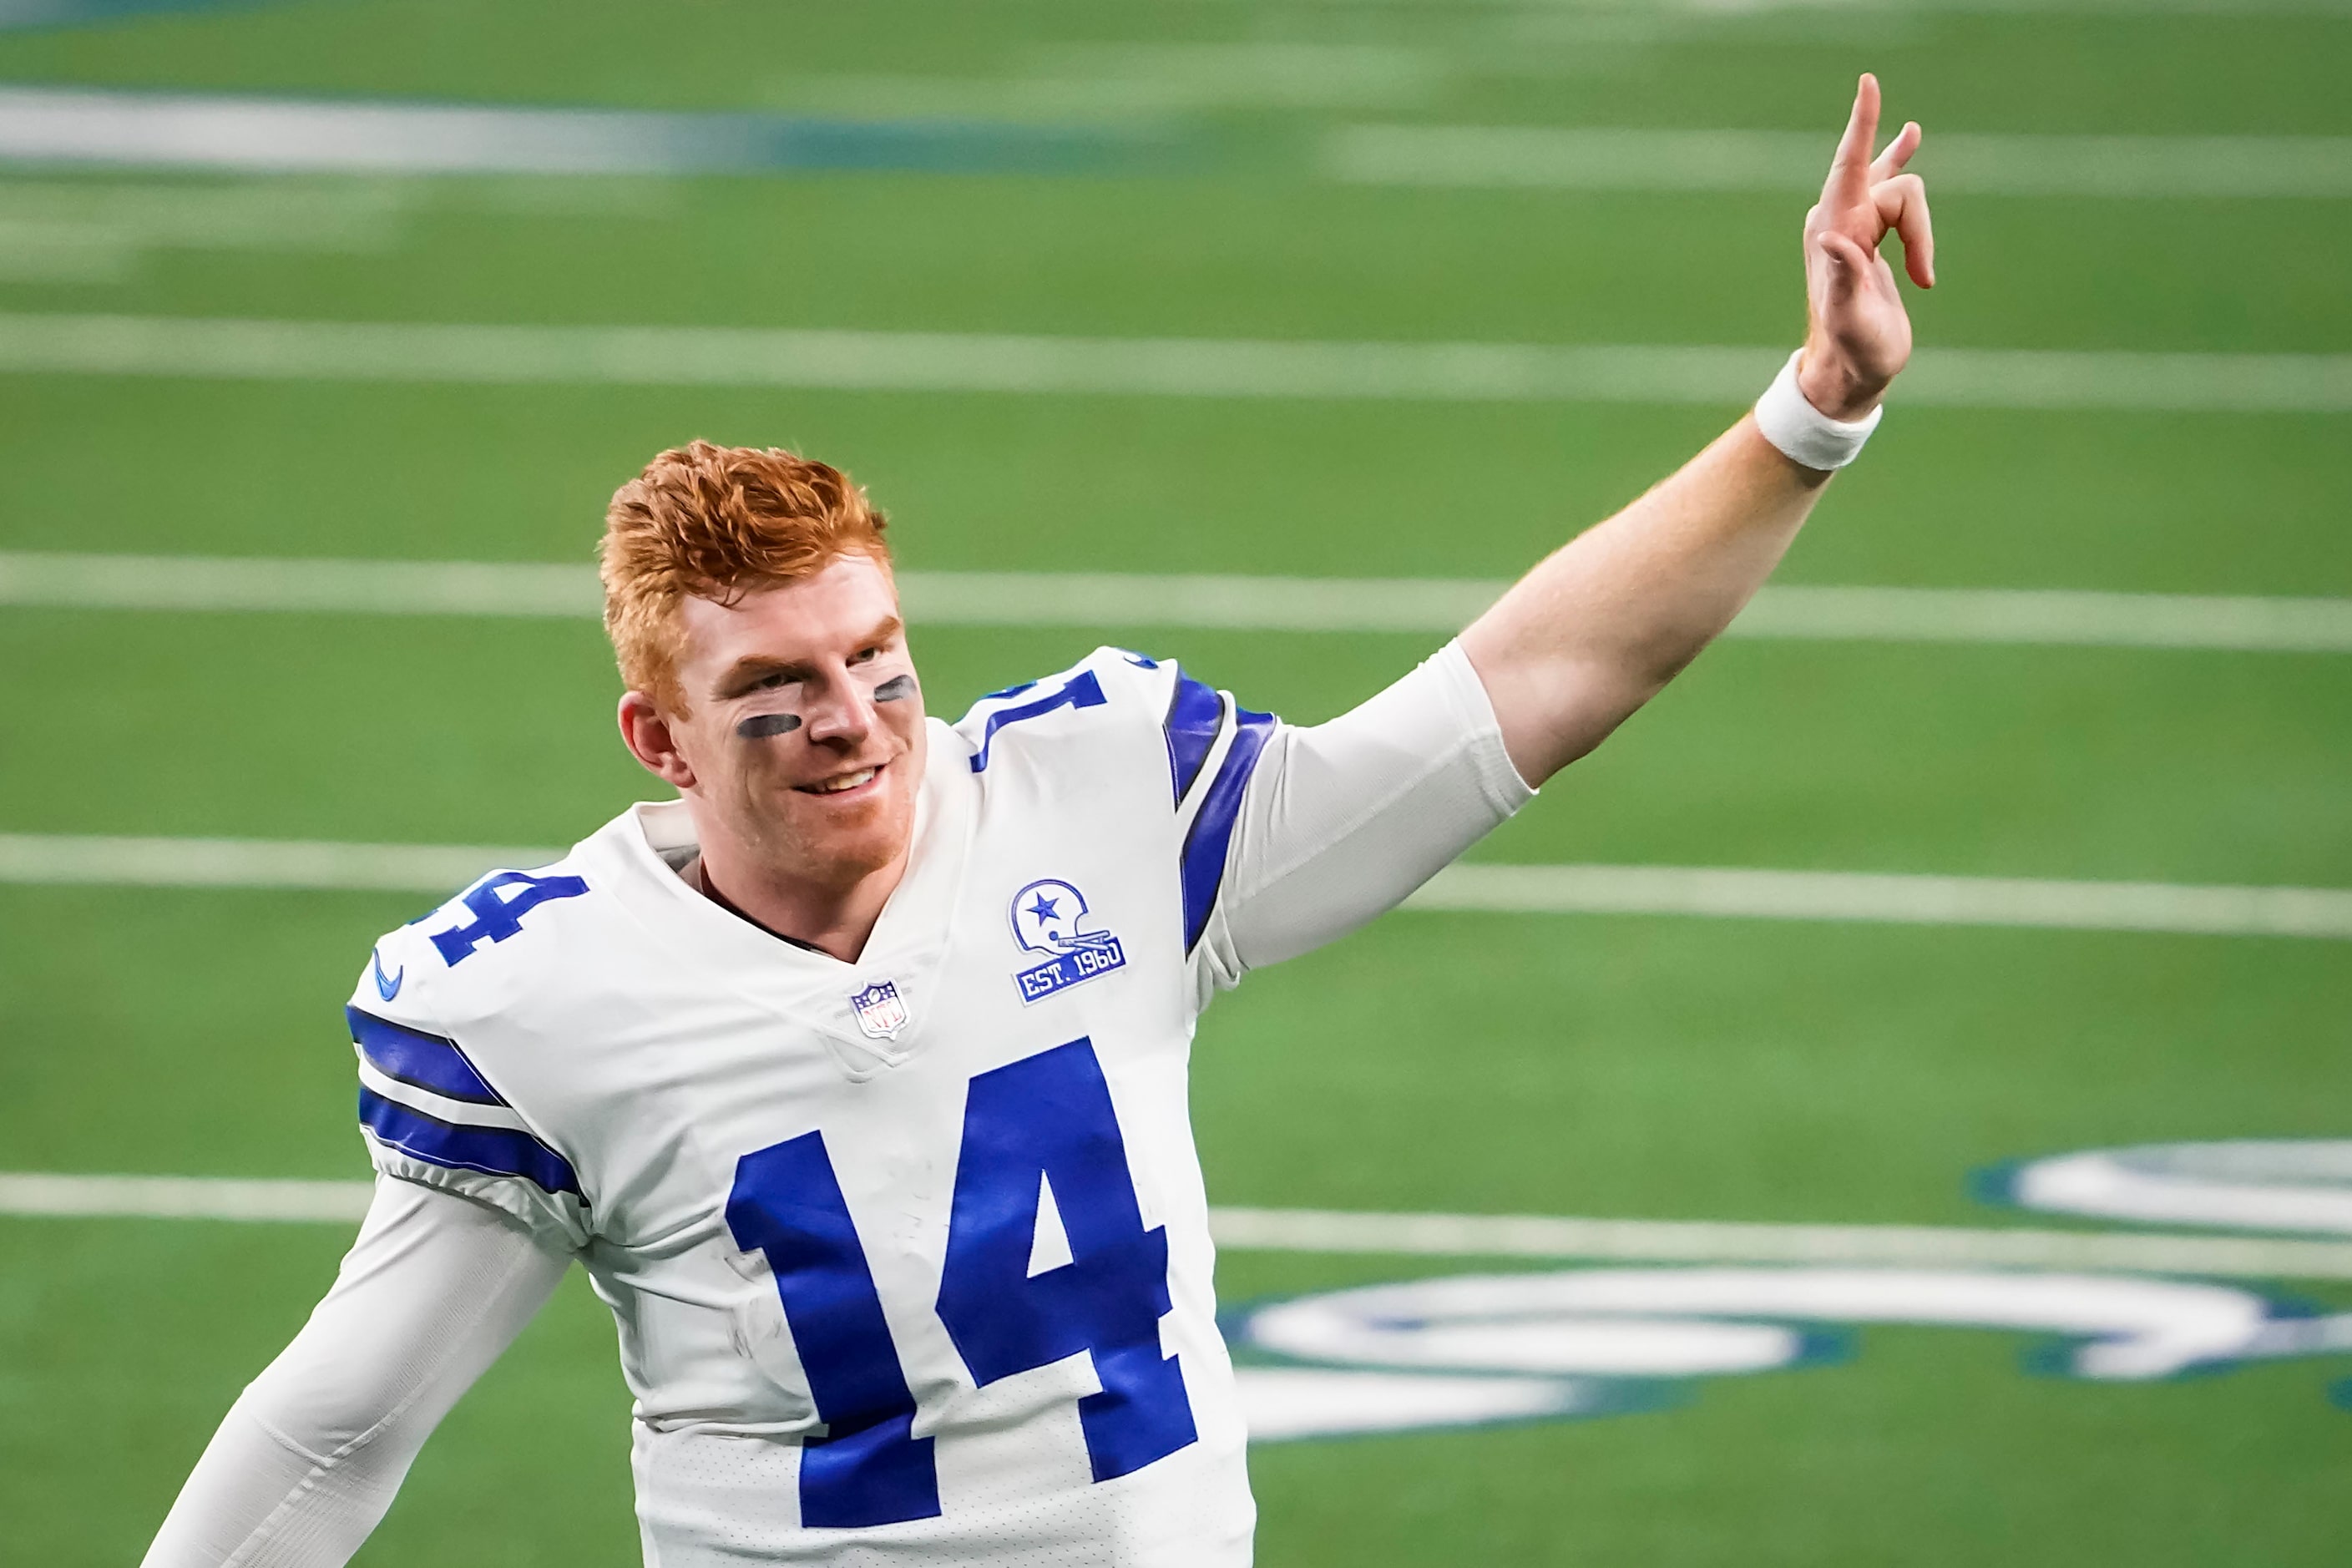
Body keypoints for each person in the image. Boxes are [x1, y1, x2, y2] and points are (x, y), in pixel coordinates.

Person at [143, 75, 1934, 1568]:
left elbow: (1519, 691)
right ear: (657, 742)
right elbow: (336, 1426)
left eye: (874, 657)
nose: (851, 723)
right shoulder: (542, 1001)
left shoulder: (1098, 799)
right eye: (774, 693)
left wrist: (1813, 413)